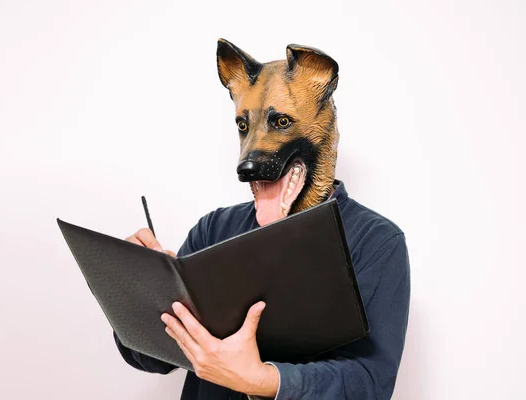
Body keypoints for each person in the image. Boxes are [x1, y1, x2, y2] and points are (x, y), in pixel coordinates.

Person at [114, 39, 410, 400]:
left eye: (281, 122)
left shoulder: (375, 242)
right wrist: (139, 290)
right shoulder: (213, 231)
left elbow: (370, 383)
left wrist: (261, 380)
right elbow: (152, 359)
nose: (250, 157)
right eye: (244, 125)